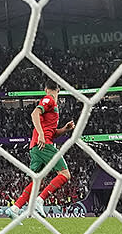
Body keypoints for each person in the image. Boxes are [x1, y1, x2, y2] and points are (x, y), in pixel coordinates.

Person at [5, 80, 75, 220]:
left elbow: (52, 133)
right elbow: (34, 114)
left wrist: (64, 130)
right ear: (58, 90)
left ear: (45, 89)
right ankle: (40, 200)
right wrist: (41, 135)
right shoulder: (49, 99)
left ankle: (15, 208)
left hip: (36, 147)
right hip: (43, 145)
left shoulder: (53, 106)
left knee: (38, 181)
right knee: (65, 174)